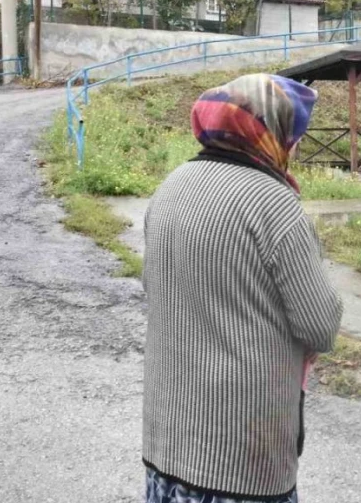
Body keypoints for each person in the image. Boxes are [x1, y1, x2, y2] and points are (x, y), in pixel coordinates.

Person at [142, 74, 344, 503]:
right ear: (268, 132)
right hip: (238, 452)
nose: (297, 145)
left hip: (168, 436)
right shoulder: (273, 203)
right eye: (294, 133)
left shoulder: (171, 186)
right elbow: (320, 326)